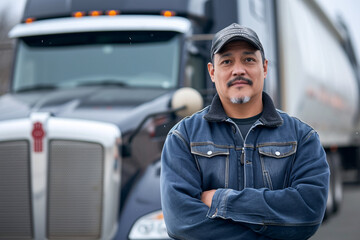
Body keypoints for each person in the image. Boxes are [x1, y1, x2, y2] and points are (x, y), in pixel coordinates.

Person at [160, 23, 329, 240]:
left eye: (248, 59)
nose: (238, 70)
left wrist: (222, 201)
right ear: (212, 72)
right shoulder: (183, 138)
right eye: (227, 61)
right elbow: (181, 222)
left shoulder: (302, 138)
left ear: (265, 68)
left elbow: (308, 213)